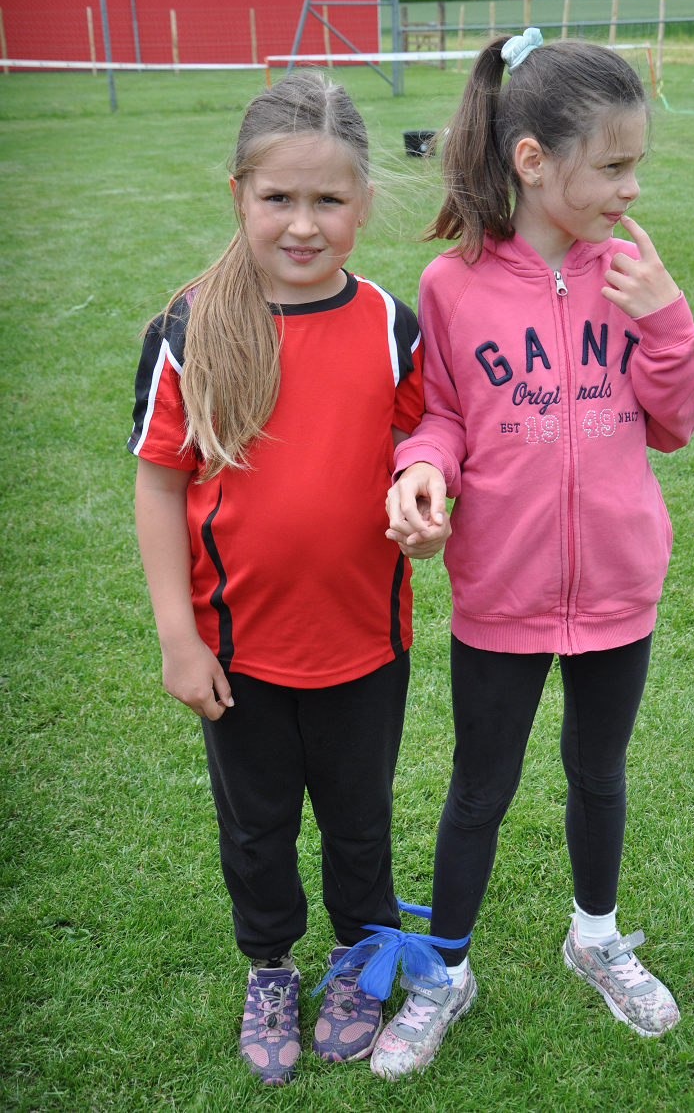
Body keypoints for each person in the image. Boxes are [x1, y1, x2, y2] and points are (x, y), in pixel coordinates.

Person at [373, 30, 694, 1079]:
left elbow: (675, 423)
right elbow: (440, 415)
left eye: (635, 165)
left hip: (616, 586)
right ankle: (445, 972)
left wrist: (667, 322)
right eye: (612, 166)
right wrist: (421, 467)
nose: (630, 187)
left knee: (597, 773)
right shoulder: (451, 285)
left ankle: (594, 937)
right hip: (503, 592)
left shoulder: (632, 275)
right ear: (532, 161)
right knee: (478, 788)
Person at [128, 71, 427, 1086]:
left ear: (364, 203)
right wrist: (178, 637)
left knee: (359, 820)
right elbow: (160, 485)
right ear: (238, 195)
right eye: (278, 198)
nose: (303, 224)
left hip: (363, 643)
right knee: (256, 829)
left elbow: (421, 448)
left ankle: (360, 957)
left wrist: (425, 504)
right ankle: (269, 966)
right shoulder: (188, 327)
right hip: (238, 652)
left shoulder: (389, 323)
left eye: (328, 199)